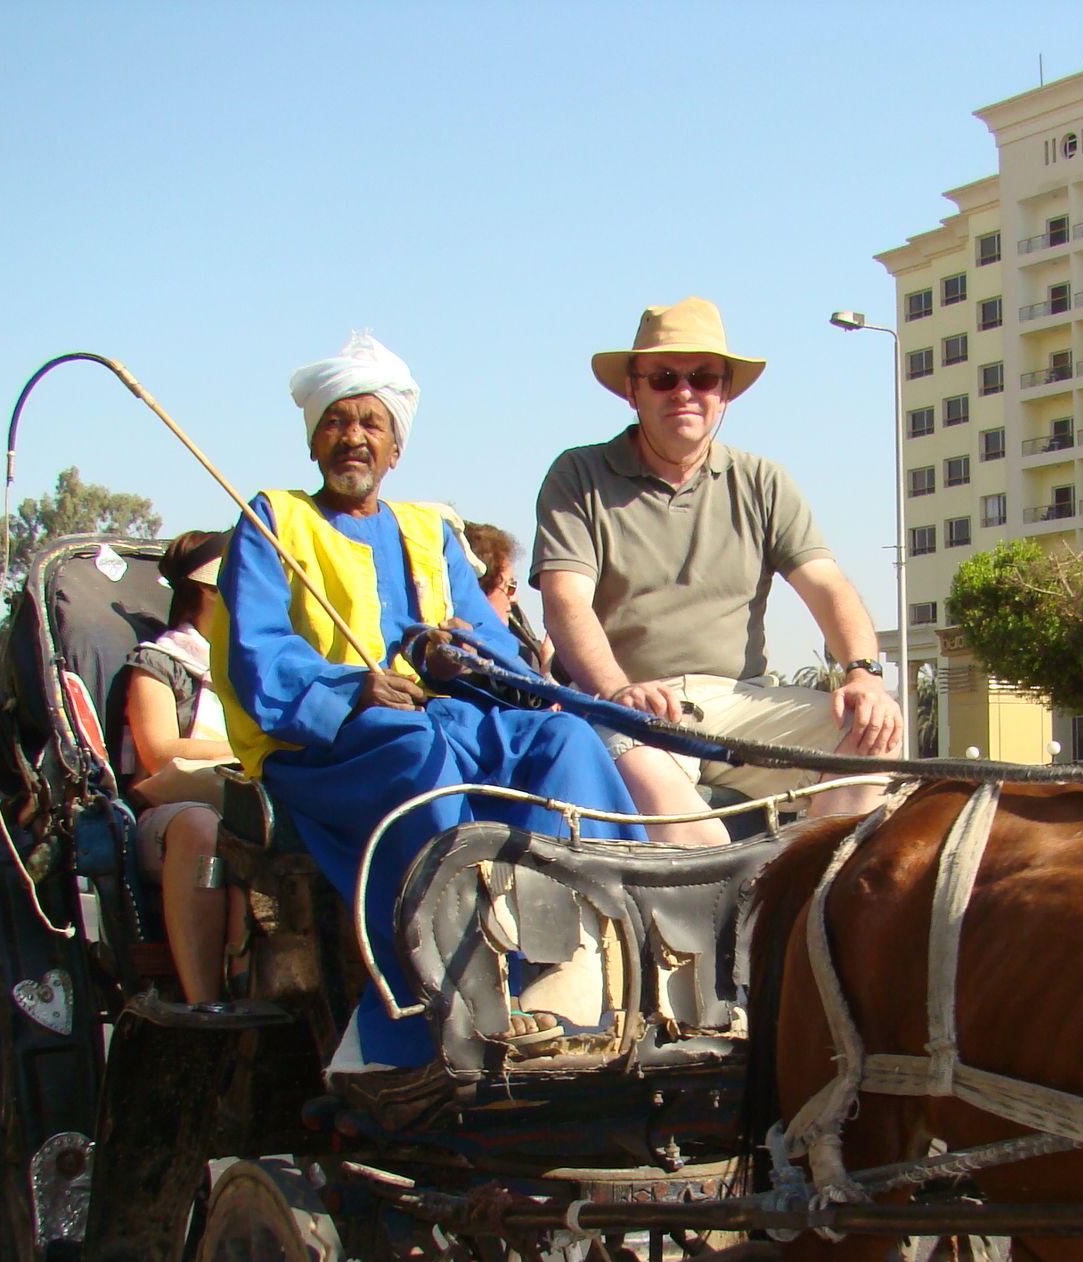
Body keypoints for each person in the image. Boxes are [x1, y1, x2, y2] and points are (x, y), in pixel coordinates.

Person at [205, 333, 642, 1095]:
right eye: (338, 423)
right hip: (329, 745)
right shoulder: (273, 521)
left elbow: (492, 653)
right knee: (411, 746)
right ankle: (457, 985)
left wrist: (458, 660)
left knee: (564, 735)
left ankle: (588, 960)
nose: (354, 438)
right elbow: (260, 656)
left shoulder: (429, 531)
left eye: (371, 424)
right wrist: (352, 690)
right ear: (313, 439)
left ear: (395, 447)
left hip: (447, 722)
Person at [533, 297, 903, 839]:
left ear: (724, 392)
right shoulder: (578, 475)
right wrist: (616, 692)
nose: (685, 392)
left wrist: (864, 675)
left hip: (740, 700)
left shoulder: (762, 481)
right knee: (694, 836)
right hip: (634, 706)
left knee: (876, 735)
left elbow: (827, 585)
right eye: (664, 377)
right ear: (632, 390)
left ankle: (800, 895)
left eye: (703, 377)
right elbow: (566, 602)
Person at [121, 530, 236, 1006]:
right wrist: (245, 750)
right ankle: (205, 1003)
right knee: (200, 825)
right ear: (208, 590)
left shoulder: (261, 668)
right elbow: (159, 752)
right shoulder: (159, 662)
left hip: (252, 804)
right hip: (170, 818)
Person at [462, 521, 551, 675]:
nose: (514, 598)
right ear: (478, 592)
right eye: (509, 587)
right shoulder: (462, 659)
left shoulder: (515, 624)